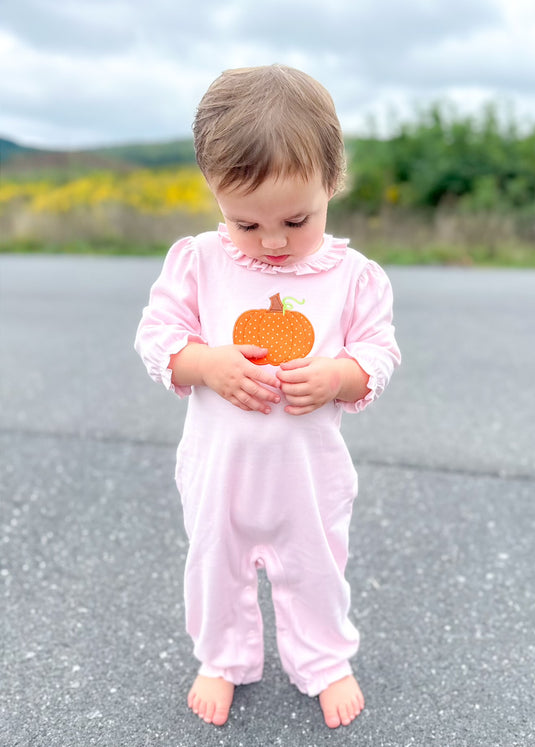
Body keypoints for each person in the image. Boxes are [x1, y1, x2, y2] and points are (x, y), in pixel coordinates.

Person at [134, 64, 401, 729]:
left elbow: (378, 352)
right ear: (214, 193)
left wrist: (340, 375)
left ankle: (325, 657)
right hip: (219, 469)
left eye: (295, 218)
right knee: (215, 563)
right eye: (246, 223)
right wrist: (206, 363)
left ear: (332, 181)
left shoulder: (353, 277)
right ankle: (221, 656)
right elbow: (156, 336)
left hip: (308, 475)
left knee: (316, 566)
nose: (274, 240)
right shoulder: (199, 261)